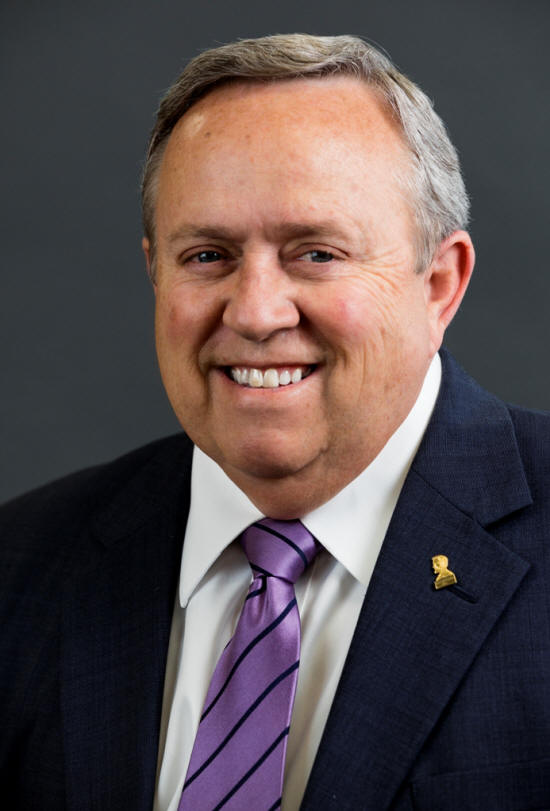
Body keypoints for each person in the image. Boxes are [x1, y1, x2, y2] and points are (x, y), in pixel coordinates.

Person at [2, 33, 550, 811]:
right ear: (155, 271)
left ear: (439, 284)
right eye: (207, 255)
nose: (256, 313)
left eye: (316, 253)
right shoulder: (20, 568)